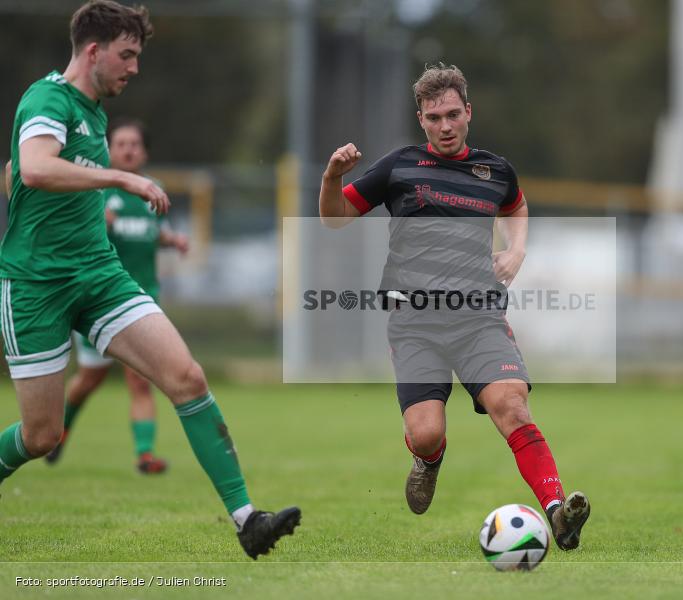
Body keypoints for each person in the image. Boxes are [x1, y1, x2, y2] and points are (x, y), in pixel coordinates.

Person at [0, 0, 298, 559]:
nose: (134, 68)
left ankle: (247, 520)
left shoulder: (94, 113)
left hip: (100, 275)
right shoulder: (48, 99)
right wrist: (122, 178)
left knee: (186, 377)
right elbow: (35, 168)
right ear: (94, 51)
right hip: (36, 285)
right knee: (42, 436)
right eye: (127, 54)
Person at [318, 63, 590, 551]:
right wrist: (333, 177)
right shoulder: (398, 166)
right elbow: (334, 219)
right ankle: (428, 460)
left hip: (479, 317)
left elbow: (517, 205)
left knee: (512, 406)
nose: (444, 126)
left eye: (451, 115)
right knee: (425, 433)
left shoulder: (495, 170)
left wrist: (516, 249)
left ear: (468, 112)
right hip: (415, 322)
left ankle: (556, 511)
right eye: (432, 117)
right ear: (420, 120)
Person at [45, 118, 189, 474]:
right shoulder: (96, 192)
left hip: (143, 302)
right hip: (100, 302)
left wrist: (174, 241)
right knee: (88, 381)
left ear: (145, 151)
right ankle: (59, 431)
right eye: (121, 143)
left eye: (134, 144)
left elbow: (154, 232)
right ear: (109, 149)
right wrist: (97, 223)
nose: (127, 149)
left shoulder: (152, 190)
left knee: (141, 380)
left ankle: (145, 454)